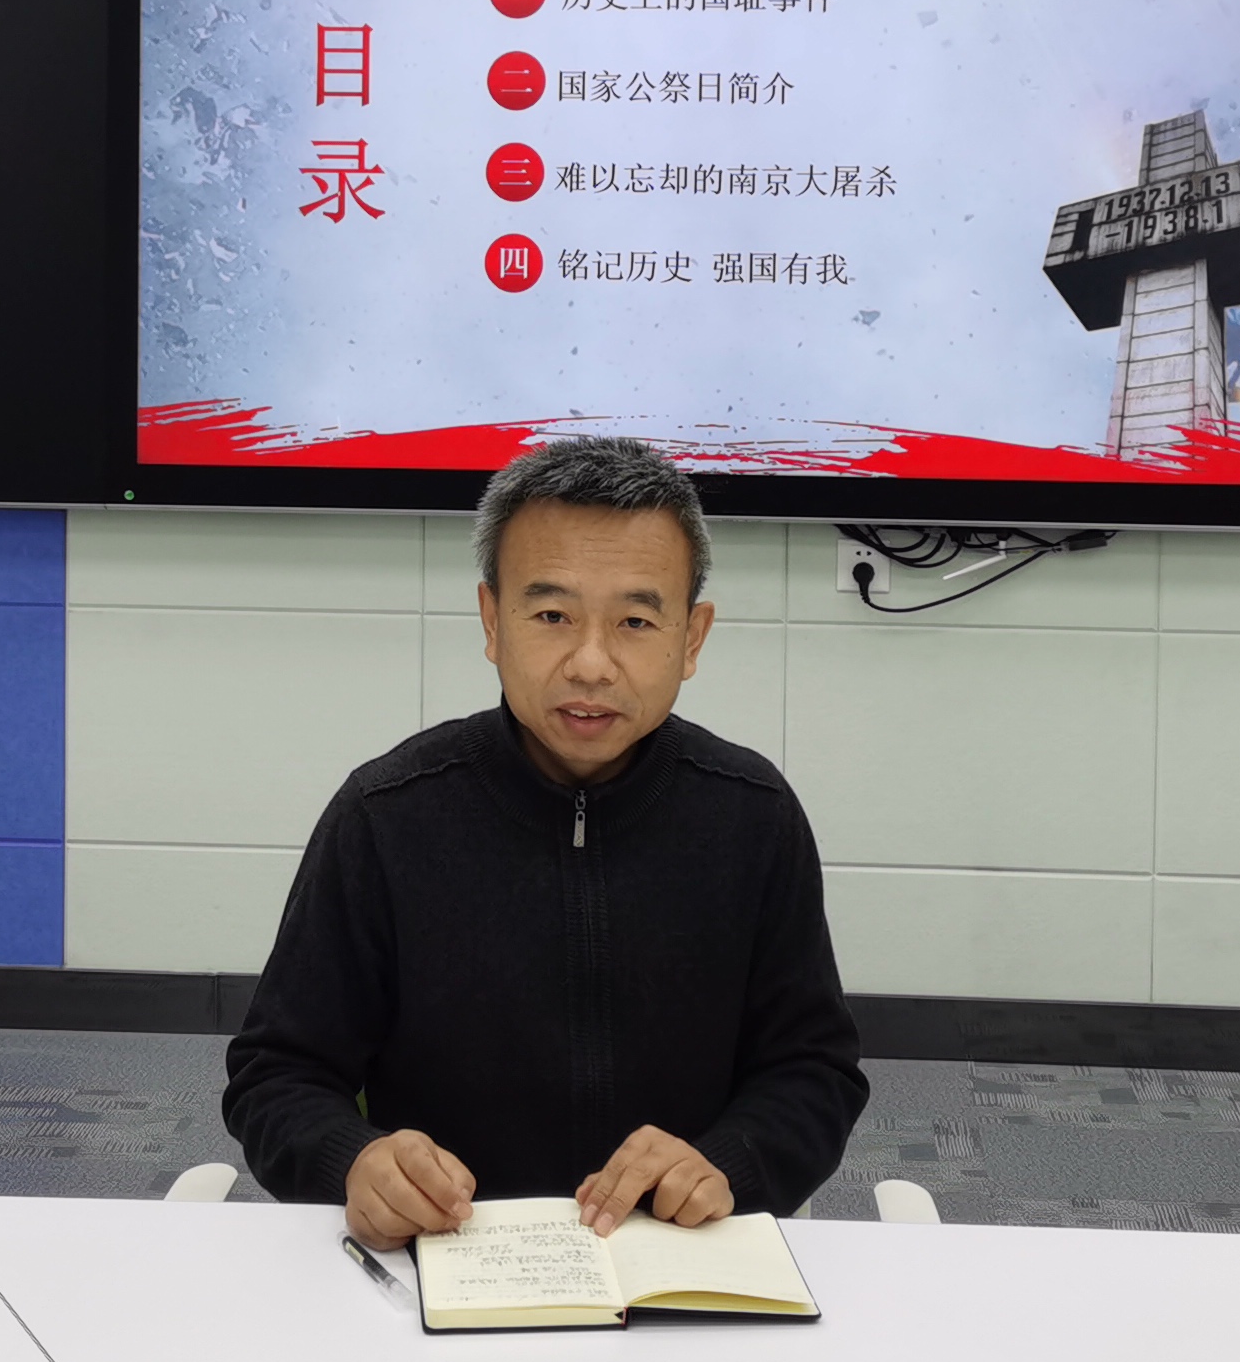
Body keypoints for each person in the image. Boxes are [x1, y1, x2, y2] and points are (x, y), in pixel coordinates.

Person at [223, 436, 867, 1249]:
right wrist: (350, 1159)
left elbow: (814, 1071)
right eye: (552, 615)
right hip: (446, 1258)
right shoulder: (386, 815)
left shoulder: (752, 815)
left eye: (636, 621)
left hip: (674, 1254)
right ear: (493, 621)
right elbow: (276, 1075)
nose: (591, 664)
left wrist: (728, 1162)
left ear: (692, 638)